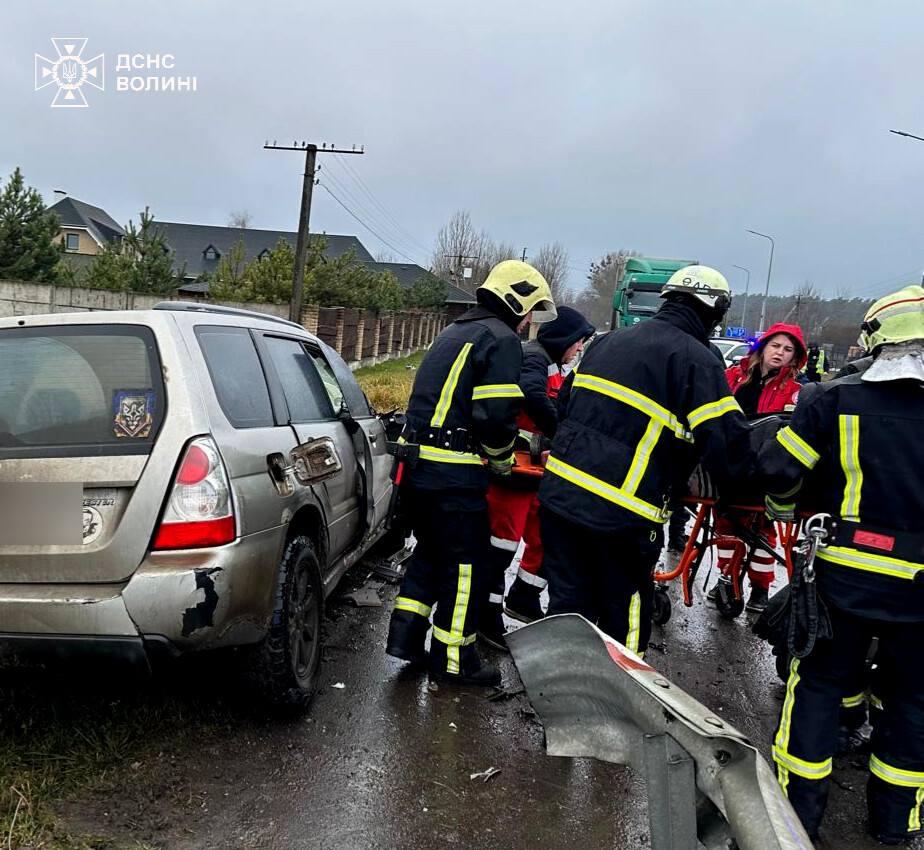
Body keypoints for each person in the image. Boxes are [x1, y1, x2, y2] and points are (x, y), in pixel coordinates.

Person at [758, 285, 924, 844]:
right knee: (913, 701)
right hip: (920, 589)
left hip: (844, 578)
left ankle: (796, 819)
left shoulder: (831, 398)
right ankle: (893, 825)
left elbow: (781, 472)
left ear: (876, 337)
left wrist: (783, 509)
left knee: (817, 688)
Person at [537, 265, 753, 655]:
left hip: (560, 500)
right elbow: (726, 444)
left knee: (568, 607)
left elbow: (565, 406)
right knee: (625, 613)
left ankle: (561, 686)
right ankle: (621, 693)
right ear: (714, 311)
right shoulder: (698, 360)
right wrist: (749, 487)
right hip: (623, 514)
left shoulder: (606, 342)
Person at [384, 260, 556, 686]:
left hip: (419, 468)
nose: (528, 322)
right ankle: (455, 660)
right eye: (529, 311)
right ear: (517, 302)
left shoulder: (455, 331)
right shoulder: (501, 339)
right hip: (454, 475)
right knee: (466, 566)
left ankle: (405, 640)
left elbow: (455, 407)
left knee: (429, 554)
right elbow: (494, 416)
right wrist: (503, 460)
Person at [479, 306, 595, 647]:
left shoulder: (552, 364)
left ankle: (524, 597)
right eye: (578, 341)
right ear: (564, 338)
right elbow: (531, 394)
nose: (580, 348)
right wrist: (560, 434)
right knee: (501, 546)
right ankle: (485, 614)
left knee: (545, 539)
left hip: (532, 475)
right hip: (512, 473)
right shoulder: (534, 358)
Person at [710, 323, 807, 612]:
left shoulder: (797, 392)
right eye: (775, 346)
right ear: (763, 348)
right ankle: (727, 578)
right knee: (725, 526)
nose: (780, 353)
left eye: (787, 349)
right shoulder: (732, 378)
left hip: (765, 471)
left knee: (763, 530)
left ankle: (760, 588)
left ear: (794, 357)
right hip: (729, 467)